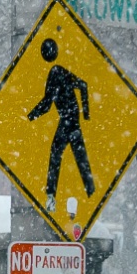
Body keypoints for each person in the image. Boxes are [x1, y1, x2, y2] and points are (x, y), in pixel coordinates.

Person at [29, 36, 94, 207]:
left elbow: (46, 105)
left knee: (56, 154)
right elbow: (84, 85)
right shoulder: (61, 71)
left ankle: (51, 196)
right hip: (73, 120)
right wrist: (84, 114)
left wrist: (29, 117)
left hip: (67, 121)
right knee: (81, 160)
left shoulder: (55, 73)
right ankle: (90, 191)